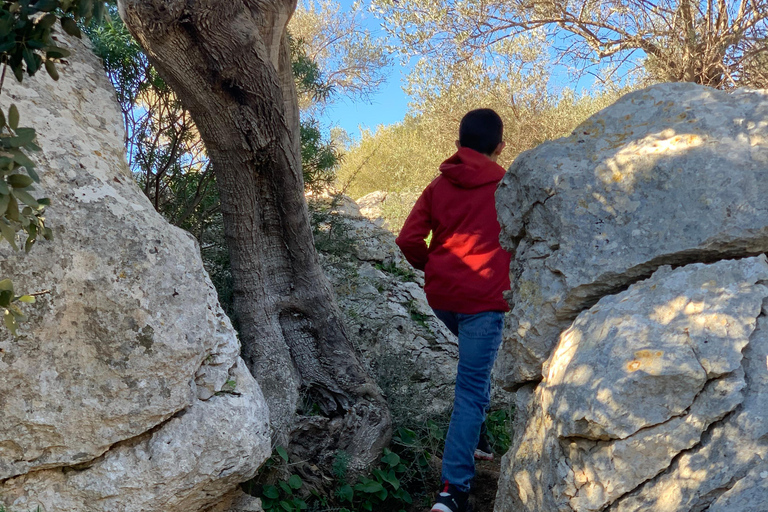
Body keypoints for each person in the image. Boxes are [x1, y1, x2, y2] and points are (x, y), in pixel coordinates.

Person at [395, 108, 511, 512]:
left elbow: (408, 239)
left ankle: (475, 441)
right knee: (472, 388)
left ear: (458, 143)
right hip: (483, 301)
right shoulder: (506, 185)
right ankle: (453, 491)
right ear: (500, 146)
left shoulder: (438, 186)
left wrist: (436, 267)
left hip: (443, 298)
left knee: (474, 370)